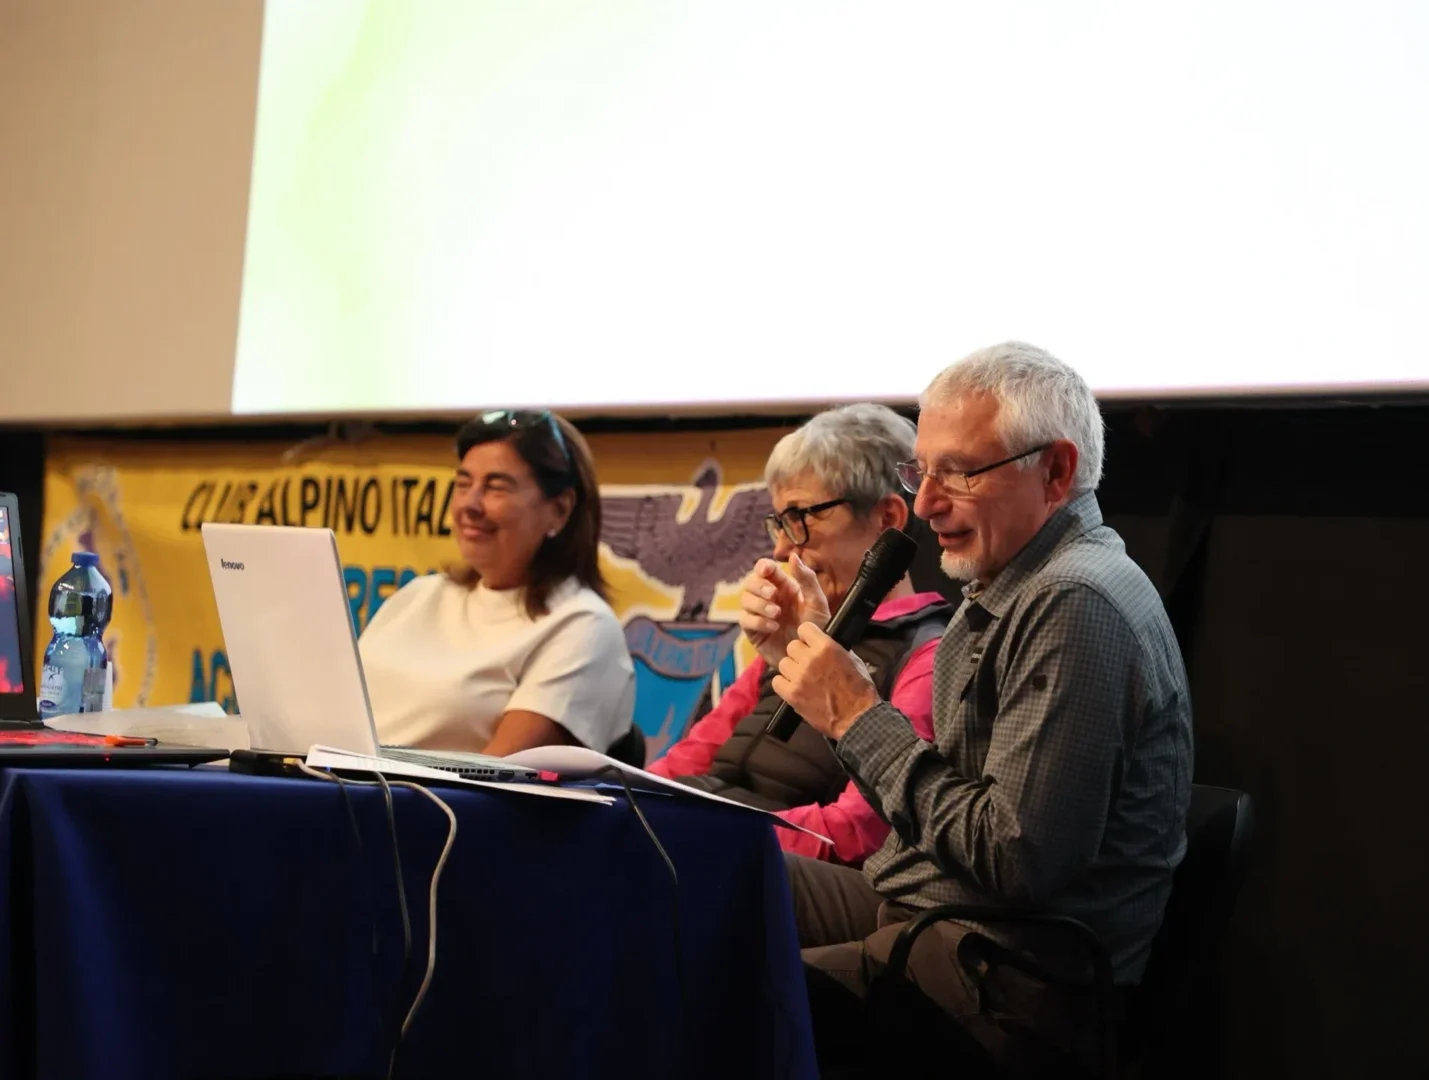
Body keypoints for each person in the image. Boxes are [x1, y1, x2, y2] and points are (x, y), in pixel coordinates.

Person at [745, 342, 1194, 1072]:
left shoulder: (1074, 602)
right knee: (700, 877)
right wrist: (808, 653)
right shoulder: (1011, 584)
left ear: (1056, 470)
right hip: (925, 912)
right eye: (921, 471)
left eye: (960, 471)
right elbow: (927, 803)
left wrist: (858, 714)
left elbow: (1016, 861)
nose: (924, 504)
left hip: (1001, 976)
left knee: (711, 986)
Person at [648, 404, 953, 864]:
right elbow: (682, 763)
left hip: (764, 866)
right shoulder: (793, 633)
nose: (782, 547)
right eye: (779, 522)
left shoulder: (927, 654)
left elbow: (858, 831)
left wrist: (703, 834)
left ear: (887, 518)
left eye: (801, 518)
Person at [359, 409, 634, 756]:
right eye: (463, 484)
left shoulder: (582, 626)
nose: (470, 505)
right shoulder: (418, 597)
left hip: (434, 807)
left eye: (496, 487)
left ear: (560, 510)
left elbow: (498, 779)